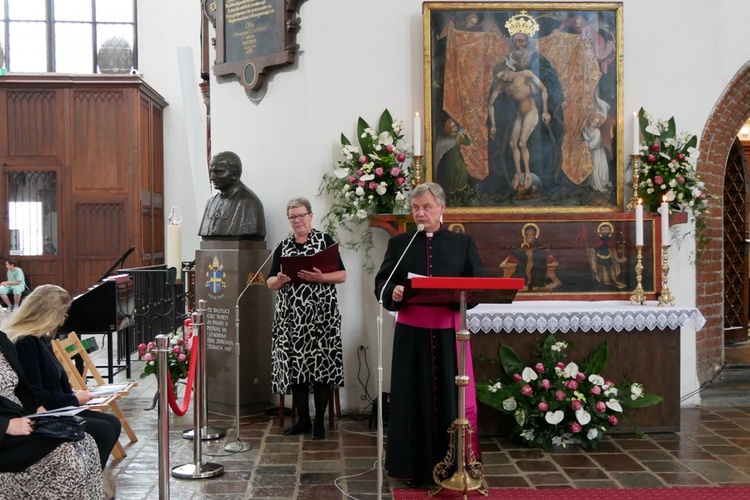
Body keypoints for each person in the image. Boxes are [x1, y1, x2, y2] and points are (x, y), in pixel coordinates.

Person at [374, 182, 486, 487]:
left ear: (441, 207)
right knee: (413, 399)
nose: (420, 213)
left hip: (450, 334)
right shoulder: (400, 244)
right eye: (415, 208)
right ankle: (413, 467)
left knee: (452, 398)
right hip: (411, 335)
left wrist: (464, 293)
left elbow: (477, 287)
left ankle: (454, 466)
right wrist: (392, 291)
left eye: (426, 207)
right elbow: (382, 282)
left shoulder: (462, 244)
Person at [5, 285, 122, 471]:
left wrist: (73, 394)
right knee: (103, 430)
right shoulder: (25, 342)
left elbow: (52, 380)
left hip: (59, 406)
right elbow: (33, 392)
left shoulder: (41, 338)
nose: (63, 319)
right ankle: (87, 479)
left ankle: (92, 478)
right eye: (63, 313)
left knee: (112, 423)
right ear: (50, 313)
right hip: (40, 412)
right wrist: (74, 399)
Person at [267, 197, 346, 440]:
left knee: (320, 368)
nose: (298, 220)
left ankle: (319, 423)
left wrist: (320, 278)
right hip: (292, 318)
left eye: (301, 215)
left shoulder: (325, 241)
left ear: (311, 216)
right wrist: (279, 281)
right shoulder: (283, 245)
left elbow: (342, 275)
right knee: (297, 368)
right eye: (293, 217)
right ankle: (303, 421)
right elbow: (269, 283)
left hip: (322, 317)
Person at [0, 329, 105, 498]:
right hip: (5, 429)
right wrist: (6, 425)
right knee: (64, 453)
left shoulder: (1, 339)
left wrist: (34, 408)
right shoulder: (23, 340)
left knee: (86, 441)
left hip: (18, 416)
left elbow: (22, 388)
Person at [487, 49, 550, 193]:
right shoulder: (503, 84)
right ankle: (518, 173)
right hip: (520, 115)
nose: (503, 79)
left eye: (503, 75)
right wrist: (493, 125)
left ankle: (527, 173)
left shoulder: (525, 74)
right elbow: (490, 103)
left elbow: (543, 89)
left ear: (508, 69)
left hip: (531, 113)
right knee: (512, 143)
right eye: (500, 78)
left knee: (522, 143)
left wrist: (545, 111)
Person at [198, 151, 267, 240]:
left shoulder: (249, 203)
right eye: (211, 172)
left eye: (218, 172)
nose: (212, 177)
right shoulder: (210, 202)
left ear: (235, 173)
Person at [510, 223, 553, 291]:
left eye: (532, 234)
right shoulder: (522, 244)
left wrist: (532, 253)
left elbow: (542, 255)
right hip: (523, 268)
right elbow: (518, 253)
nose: (530, 237)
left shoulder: (539, 244)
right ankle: (528, 281)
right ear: (525, 236)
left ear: (535, 235)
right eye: (528, 235)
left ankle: (532, 281)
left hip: (537, 269)